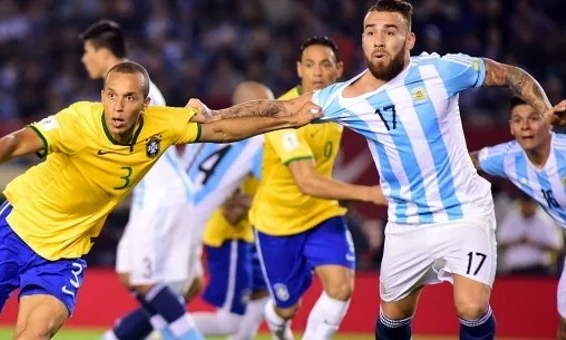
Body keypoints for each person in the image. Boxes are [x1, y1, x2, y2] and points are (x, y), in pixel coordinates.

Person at [0, 61, 323, 340]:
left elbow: (221, 128)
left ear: (145, 104)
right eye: (111, 96)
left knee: (35, 333)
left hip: (65, 253)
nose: (118, 106)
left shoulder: (161, 125)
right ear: (102, 96)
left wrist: (287, 116)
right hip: (18, 228)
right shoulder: (77, 121)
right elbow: (15, 142)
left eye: (129, 98)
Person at [276, 0, 566, 338]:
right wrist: (207, 124)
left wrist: (544, 108)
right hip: (409, 221)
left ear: (410, 39)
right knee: (393, 315)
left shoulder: (440, 72)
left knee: (471, 307)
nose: (525, 128)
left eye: (390, 31)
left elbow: (508, 73)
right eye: (371, 32)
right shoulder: (505, 157)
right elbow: (473, 159)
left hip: (464, 215)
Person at [247, 36, 385, 340]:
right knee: (288, 308)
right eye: (309, 65)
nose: (317, 72)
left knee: (341, 287)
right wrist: (368, 194)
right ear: (299, 70)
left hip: (321, 213)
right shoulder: (282, 114)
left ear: (339, 69)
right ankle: (277, 322)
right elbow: (306, 181)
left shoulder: (340, 103)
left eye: (325, 65)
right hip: (278, 222)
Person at [79, 20, 203, 340]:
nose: (84, 59)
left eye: (87, 52)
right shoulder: (132, 87)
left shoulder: (133, 89)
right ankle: (124, 335)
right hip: (151, 194)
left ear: (104, 53)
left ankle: (188, 336)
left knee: (144, 279)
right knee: (128, 273)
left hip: (163, 194)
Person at [470, 96, 565, 338]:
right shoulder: (507, 157)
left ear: (548, 123)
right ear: (511, 128)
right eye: (518, 120)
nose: (525, 126)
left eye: (534, 119)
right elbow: (466, 162)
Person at [183, 81, 272, 340]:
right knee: (228, 320)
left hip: (193, 216)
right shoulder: (257, 140)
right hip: (225, 231)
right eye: (266, 106)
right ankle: (161, 331)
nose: (273, 112)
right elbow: (276, 184)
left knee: (262, 292)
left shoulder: (209, 130)